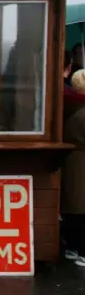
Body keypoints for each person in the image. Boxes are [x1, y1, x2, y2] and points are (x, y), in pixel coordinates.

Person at [61, 68, 85, 267]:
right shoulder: (82, 112)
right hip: (81, 163)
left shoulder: (66, 105)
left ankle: (72, 247)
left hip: (72, 163)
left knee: (74, 208)